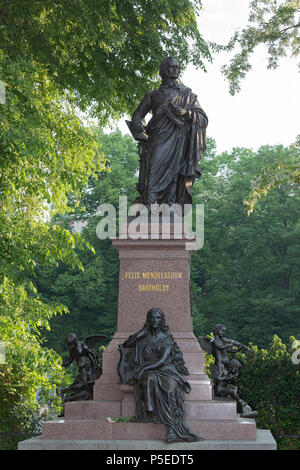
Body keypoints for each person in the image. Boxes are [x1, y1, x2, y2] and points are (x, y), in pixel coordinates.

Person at [128, 56, 208, 208]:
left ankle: (169, 207)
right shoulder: (152, 95)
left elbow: (203, 118)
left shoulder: (187, 95)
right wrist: (137, 123)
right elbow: (137, 114)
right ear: (163, 70)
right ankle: (150, 205)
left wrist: (186, 113)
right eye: (171, 67)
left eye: (177, 67)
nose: (175, 70)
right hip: (157, 137)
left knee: (174, 173)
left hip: (179, 140)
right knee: (153, 168)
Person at [119, 307, 202, 442]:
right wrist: (140, 334)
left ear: (161, 320)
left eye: (157, 317)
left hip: (166, 369)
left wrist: (142, 370)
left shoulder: (166, 337)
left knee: (170, 390)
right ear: (148, 320)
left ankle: (172, 429)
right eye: (152, 317)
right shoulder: (144, 336)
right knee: (149, 379)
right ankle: (150, 412)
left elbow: (163, 360)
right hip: (150, 370)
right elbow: (127, 344)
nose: (155, 320)